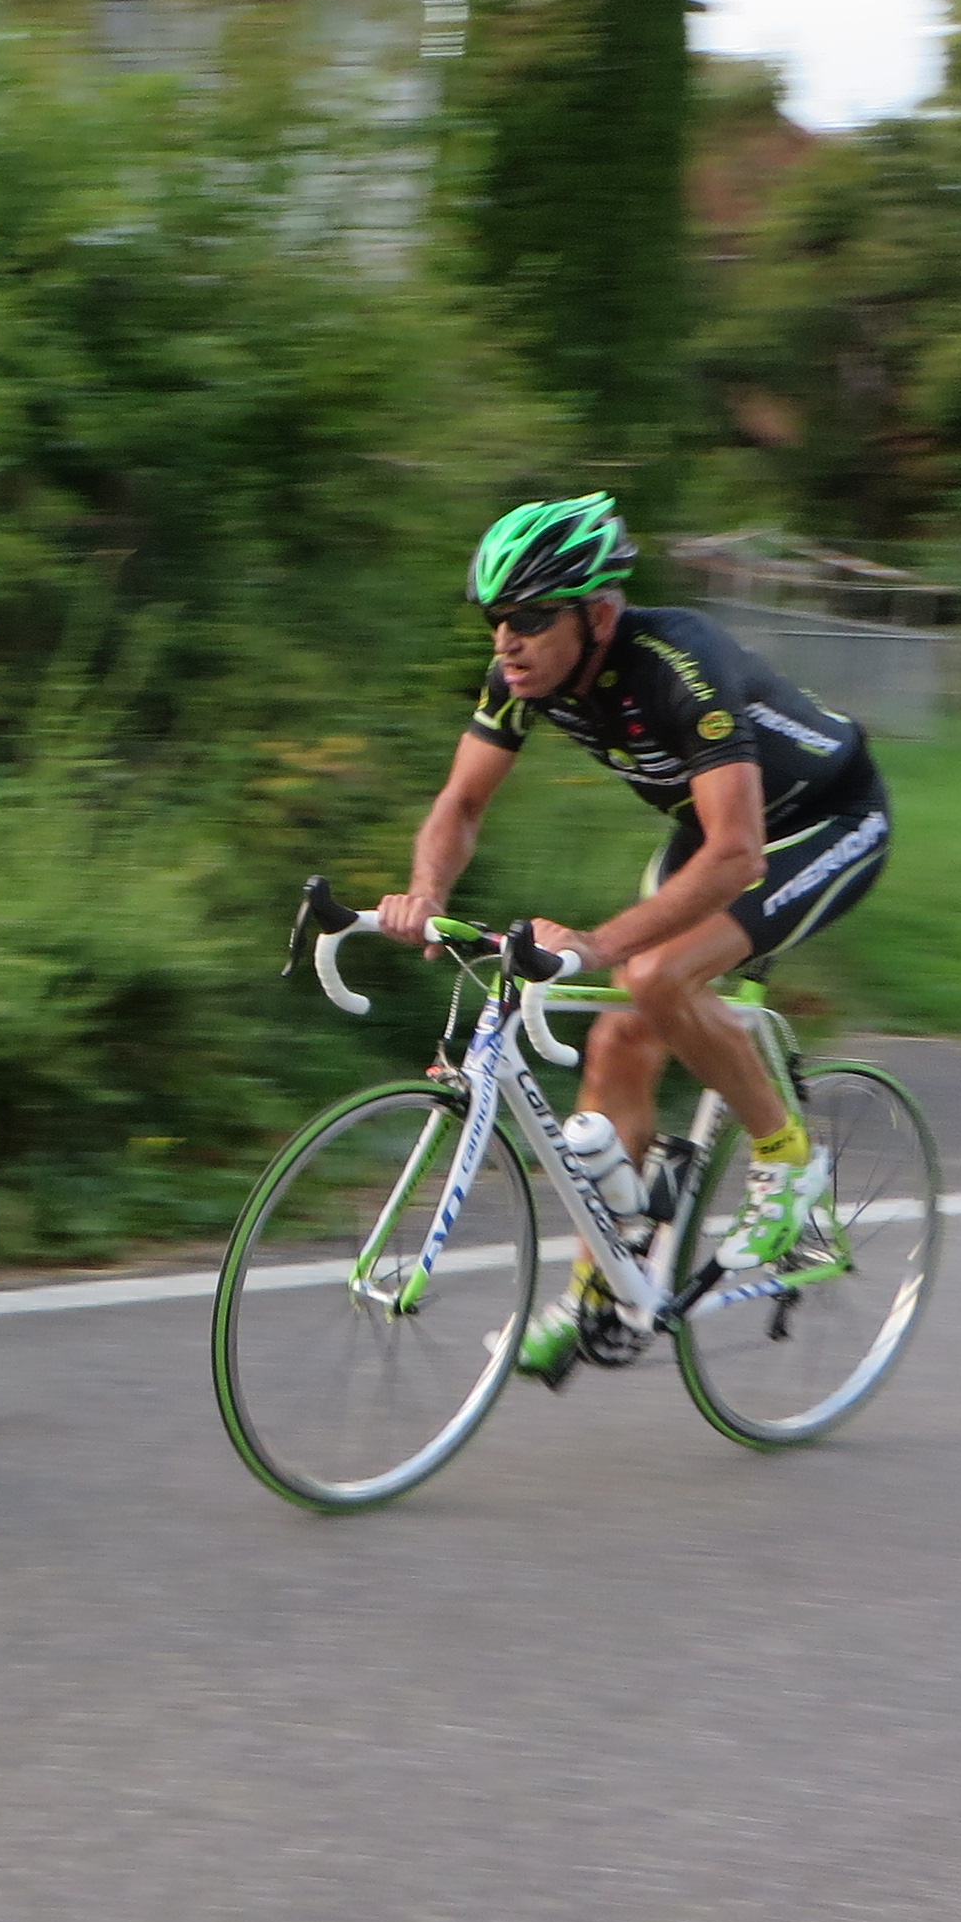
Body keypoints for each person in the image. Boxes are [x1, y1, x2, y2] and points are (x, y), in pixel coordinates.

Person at [373, 493, 893, 1383]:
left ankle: (786, 1163)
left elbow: (738, 855)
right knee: (618, 1034)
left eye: (531, 618)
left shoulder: (680, 664)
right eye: (498, 620)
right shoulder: (521, 676)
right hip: (715, 828)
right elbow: (460, 803)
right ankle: (602, 1292)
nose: (508, 641)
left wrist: (600, 942)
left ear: (601, 617)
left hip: (823, 820)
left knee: (653, 975)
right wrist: (425, 893)